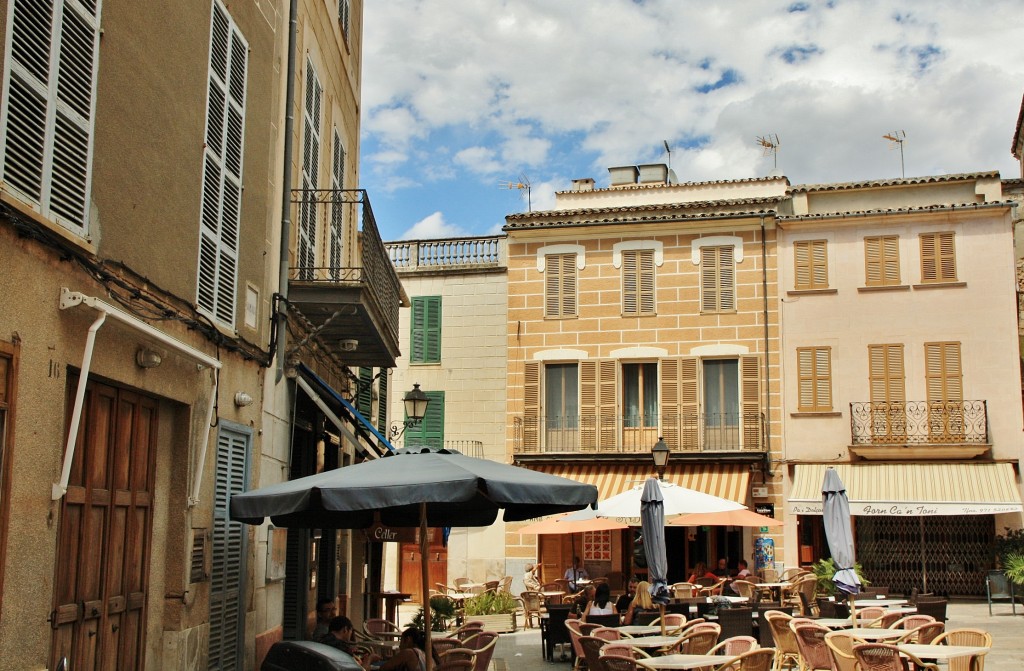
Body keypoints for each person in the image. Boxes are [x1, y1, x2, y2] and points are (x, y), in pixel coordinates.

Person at [367, 627, 432, 671]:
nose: (399, 645)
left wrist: (370, 658)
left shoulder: (409, 652)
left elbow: (383, 668)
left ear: (408, 639)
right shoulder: (423, 652)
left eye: (401, 640)